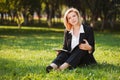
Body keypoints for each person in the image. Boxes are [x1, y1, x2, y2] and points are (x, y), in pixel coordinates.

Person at [46, 8, 96, 73]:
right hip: (70, 57)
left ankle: (62, 67)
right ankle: (52, 66)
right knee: (64, 53)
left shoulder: (88, 29)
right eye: (69, 18)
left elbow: (92, 48)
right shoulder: (67, 31)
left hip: (84, 58)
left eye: (74, 16)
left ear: (78, 16)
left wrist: (89, 48)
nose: (72, 19)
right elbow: (65, 48)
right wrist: (60, 52)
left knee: (80, 47)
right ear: (68, 21)